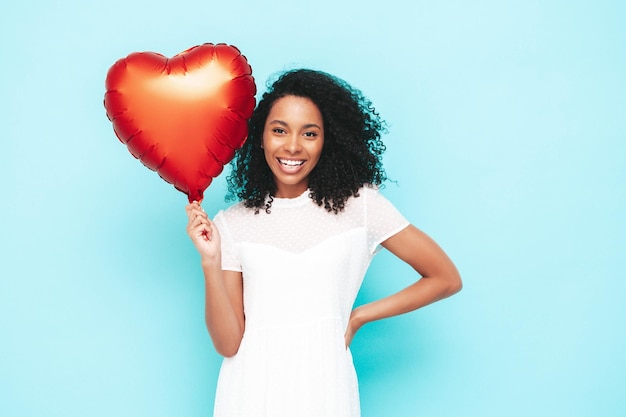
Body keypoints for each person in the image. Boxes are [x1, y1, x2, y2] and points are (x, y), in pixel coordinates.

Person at [185, 69, 462, 417]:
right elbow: (228, 343)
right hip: (250, 391)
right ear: (260, 137)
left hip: (324, 386)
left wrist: (360, 316)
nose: (292, 146)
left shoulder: (361, 207)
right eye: (279, 130)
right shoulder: (233, 222)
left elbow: (445, 278)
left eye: (310, 133)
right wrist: (210, 262)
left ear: (327, 140)